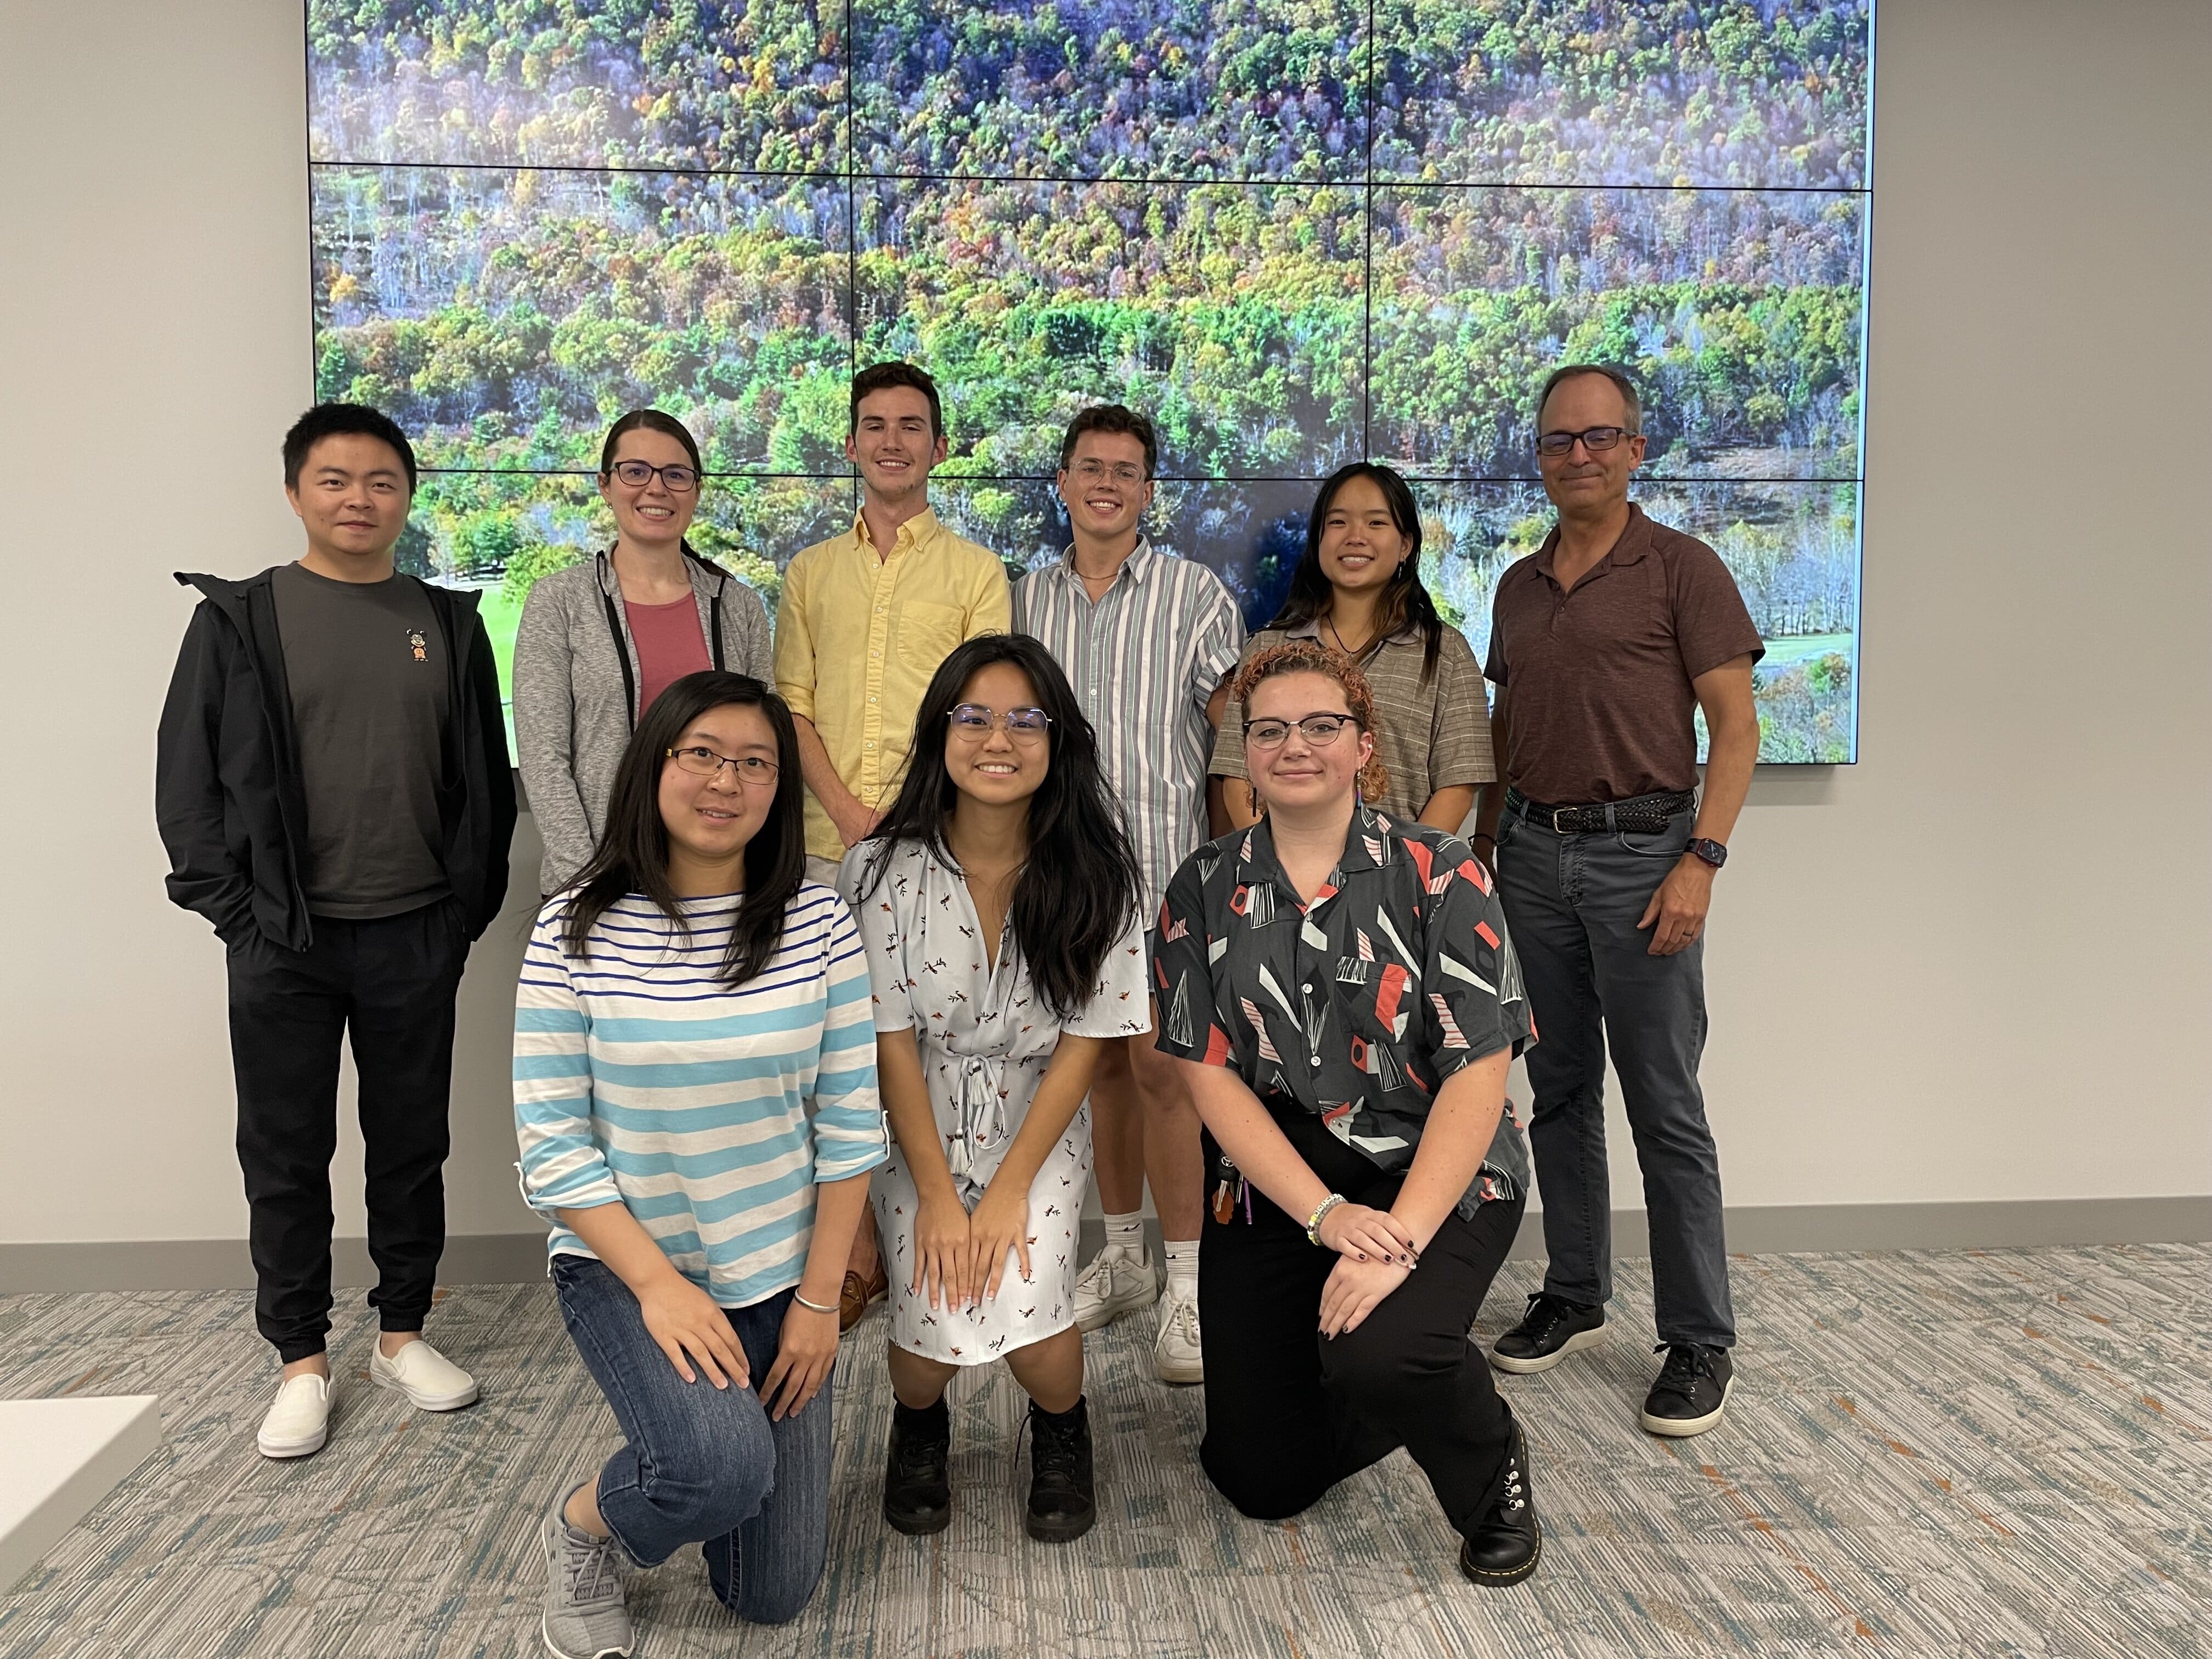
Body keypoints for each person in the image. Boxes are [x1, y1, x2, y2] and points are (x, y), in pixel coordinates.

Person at [156, 402, 516, 1461]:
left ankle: (402, 1331)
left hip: (414, 929)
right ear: (295, 492)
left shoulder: (447, 621)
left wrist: (461, 913)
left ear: (408, 494)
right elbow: (187, 783)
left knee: (413, 1144)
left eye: (380, 481)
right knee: (285, 1148)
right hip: (285, 939)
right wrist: (237, 915)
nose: (358, 499)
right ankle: (301, 1358)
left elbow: (483, 788)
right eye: (334, 480)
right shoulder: (241, 618)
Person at [1154, 639, 1544, 1587]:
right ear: (1244, 752)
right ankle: (1345, 1366)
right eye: (1271, 728)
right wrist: (1327, 1218)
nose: (1296, 745)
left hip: (1432, 1159)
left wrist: (1398, 1235)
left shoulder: (1443, 871)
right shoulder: (1200, 885)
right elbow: (1209, 1076)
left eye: (1322, 725)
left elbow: (1477, 1073)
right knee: (1261, 1476)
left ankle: (1490, 1467)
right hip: (1280, 1171)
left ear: (1363, 745)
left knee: (1389, 1354)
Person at [515, 670, 884, 1658]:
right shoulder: (572, 927)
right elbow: (554, 1148)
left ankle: (707, 1451)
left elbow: (851, 1123)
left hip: (781, 1275)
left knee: (770, 1593)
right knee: (718, 1470)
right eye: (703, 754)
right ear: (656, 766)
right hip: (631, 1271)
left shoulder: (817, 923)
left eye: (756, 762)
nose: (728, 779)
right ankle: (585, 1523)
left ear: (778, 788)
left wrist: (817, 1302)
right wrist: (659, 1287)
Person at [1477, 364, 1762, 1438]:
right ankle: (1576, 1292)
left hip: (1648, 859)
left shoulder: (1684, 570)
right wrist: (1486, 855)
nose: (1579, 456)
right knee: (1556, 1088)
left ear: (1637, 450)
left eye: (1601, 438)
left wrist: (1704, 858)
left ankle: (1700, 1340)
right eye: (1560, 440)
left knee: (1664, 1106)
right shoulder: (1516, 585)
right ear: (1540, 456)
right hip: (1533, 861)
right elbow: (1511, 738)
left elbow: (1736, 729)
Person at [842, 635, 1149, 1543]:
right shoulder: (877, 869)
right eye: (972, 715)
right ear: (940, 731)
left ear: (1057, 739)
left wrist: (1011, 1185)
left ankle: (1062, 1427)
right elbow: (889, 1040)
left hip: (1038, 1120)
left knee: (1026, 1301)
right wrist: (936, 1193)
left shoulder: (1098, 870)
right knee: (929, 1321)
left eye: (1025, 718)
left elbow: (1088, 1044)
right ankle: (919, 1426)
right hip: (915, 1122)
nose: (997, 738)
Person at [774, 361, 1011, 1332]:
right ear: (850, 445)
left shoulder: (974, 571)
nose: (892, 441)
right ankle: (853, 1253)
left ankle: (935, 1230)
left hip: (932, 848)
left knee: (916, 1048)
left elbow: (982, 714)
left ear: (939, 446)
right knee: (828, 1053)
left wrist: (907, 816)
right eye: (874, 425)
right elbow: (791, 704)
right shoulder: (808, 572)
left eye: (912, 426)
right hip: (826, 849)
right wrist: (846, 807)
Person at [1011, 404, 1244, 1385]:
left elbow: (1236, 736)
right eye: (1088, 466)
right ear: (1061, 481)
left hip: (1163, 878)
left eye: (1126, 469)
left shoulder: (1195, 594)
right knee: (1095, 1073)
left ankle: (1187, 1289)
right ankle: (1124, 1258)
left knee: (1166, 1075)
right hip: (1062, 880)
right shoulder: (1023, 600)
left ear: (1149, 490)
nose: (1105, 482)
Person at [514, 408, 772, 894]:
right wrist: (583, 879)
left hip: (719, 882)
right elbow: (544, 758)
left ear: (696, 489)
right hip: (596, 881)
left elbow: (764, 749)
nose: (656, 489)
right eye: (635, 472)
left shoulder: (737, 606)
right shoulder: (559, 602)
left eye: (675, 475)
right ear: (606, 485)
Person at [1214, 460, 1496, 838]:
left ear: (1406, 545)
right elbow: (1237, 776)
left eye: (1376, 523)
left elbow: (1458, 786)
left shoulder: (1446, 653)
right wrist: (1280, 870)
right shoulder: (1268, 647)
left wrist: (1400, 873)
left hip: (1399, 885)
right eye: (1338, 522)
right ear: (1318, 541)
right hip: (1281, 885)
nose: (1355, 537)